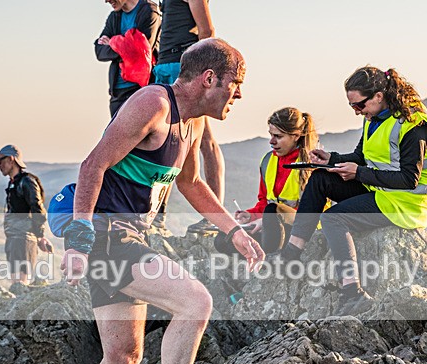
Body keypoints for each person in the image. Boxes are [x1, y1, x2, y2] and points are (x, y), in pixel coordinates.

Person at [59, 39, 264, 364]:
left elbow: (191, 184)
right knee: (196, 301)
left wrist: (234, 232)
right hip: (109, 237)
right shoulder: (153, 103)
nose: (240, 94)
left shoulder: (192, 125)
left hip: (125, 238)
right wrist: (78, 238)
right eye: (237, 83)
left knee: (123, 358)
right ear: (209, 78)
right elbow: (92, 165)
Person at [282, 66, 427, 315]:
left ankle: (353, 294)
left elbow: (409, 179)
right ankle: (292, 252)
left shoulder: (414, 124)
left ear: (378, 96)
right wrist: (332, 159)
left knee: (333, 218)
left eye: (359, 105)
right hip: (380, 189)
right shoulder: (374, 117)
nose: (357, 111)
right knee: (320, 179)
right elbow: (361, 156)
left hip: (406, 203)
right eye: (352, 106)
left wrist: (358, 173)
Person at [152, 0, 223, 234]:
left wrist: (199, 73)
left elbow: (207, 31)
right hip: (164, 66)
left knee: (204, 140)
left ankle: (214, 217)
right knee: (166, 141)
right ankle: (157, 214)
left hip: (182, 68)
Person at [216, 107, 317, 255]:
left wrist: (267, 219)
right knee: (222, 239)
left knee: (272, 212)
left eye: (278, 136)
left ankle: (269, 256)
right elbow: (264, 201)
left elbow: (314, 212)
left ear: (296, 136)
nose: (272, 141)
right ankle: (259, 254)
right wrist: (250, 216)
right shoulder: (267, 161)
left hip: (301, 230)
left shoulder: (312, 164)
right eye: (271, 135)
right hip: (272, 227)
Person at [95, 0, 161, 117]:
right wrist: (124, 44)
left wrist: (112, 42)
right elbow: (99, 51)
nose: (106, 1)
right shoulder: (114, 17)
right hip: (117, 93)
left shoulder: (149, 11)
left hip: (142, 90)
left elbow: (140, 50)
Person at [0, 144, 52, 285]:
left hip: (23, 239)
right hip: (14, 238)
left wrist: (40, 236)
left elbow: (38, 209)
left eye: (0, 161)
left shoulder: (27, 182)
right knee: (16, 283)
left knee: (20, 283)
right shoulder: (14, 183)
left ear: (11, 159)